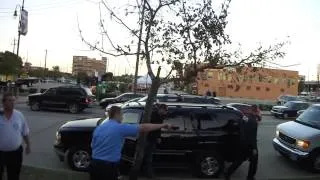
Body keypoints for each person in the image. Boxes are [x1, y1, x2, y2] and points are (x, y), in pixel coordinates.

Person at [90, 106, 172, 180]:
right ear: (117, 114)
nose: (122, 118)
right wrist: (162, 125)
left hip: (94, 165)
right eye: (121, 115)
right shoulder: (120, 128)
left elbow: (92, 145)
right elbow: (144, 127)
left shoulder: (99, 128)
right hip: (108, 167)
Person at [0, 93, 31, 180]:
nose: (12, 102)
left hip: (15, 153)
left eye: (13, 100)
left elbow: (25, 131)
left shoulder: (19, 115)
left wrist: (28, 145)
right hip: (0, 153)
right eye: (9, 100)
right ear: (3, 102)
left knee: (14, 175)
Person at [224, 105, 258, 180]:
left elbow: (237, 125)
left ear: (250, 110)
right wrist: (254, 148)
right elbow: (252, 136)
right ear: (255, 111)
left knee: (239, 160)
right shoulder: (253, 121)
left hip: (241, 143)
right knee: (254, 161)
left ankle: (228, 173)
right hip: (249, 145)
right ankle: (250, 177)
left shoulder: (244, 118)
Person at [142, 104, 168, 178]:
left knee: (148, 157)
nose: (166, 112)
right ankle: (148, 174)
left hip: (152, 140)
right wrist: (157, 137)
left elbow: (158, 129)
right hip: (148, 139)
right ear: (161, 109)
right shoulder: (153, 115)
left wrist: (158, 137)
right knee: (147, 158)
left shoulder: (160, 116)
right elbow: (152, 128)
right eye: (165, 110)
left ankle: (147, 173)